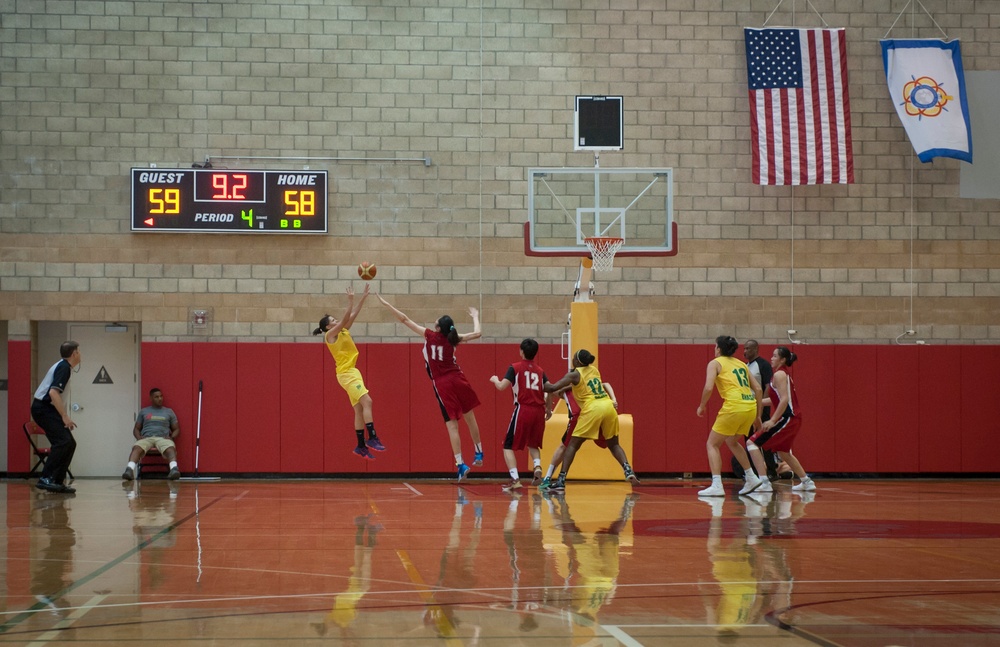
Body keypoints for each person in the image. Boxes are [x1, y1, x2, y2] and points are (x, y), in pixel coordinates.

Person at [377, 293, 484, 480]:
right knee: (470, 417)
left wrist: (386, 304)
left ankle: (460, 464)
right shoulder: (454, 338)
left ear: (437, 328)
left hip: (442, 383)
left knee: (452, 426)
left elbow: (405, 319)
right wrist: (475, 316)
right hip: (458, 378)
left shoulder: (429, 335)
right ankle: (479, 452)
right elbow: (477, 333)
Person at [541, 349, 638, 491]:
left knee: (572, 445)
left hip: (593, 408)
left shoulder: (574, 374)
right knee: (614, 444)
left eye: (574, 357)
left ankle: (561, 479)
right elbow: (589, 384)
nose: (572, 359)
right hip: (608, 406)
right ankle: (628, 469)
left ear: (577, 361)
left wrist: (536, 383)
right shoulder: (594, 370)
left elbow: (553, 387)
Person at [314, 284, 386, 460]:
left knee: (359, 410)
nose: (336, 320)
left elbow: (351, 316)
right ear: (326, 327)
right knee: (368, 401)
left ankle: (361, 446)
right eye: (332, 320)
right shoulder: (329, 335)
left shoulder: (343, 330)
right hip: (346, 374)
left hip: (352, 372)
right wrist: (350, 300)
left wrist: (362, 298)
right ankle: (373, 437)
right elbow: (346, 316)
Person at [696, 335, 764, 497]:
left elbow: (708, 387)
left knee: (712, 444)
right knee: (732, 441)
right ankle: (752, 477)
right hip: (750, 406)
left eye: (715, 346)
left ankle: (717, 484)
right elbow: (759, 389)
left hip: (734, 406)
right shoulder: (742, 364)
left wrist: (702, 405)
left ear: (719, 349)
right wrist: (758, 416)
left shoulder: (715, 363)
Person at [748, 346, 816, 492]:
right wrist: (755, 401)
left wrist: (772, 420)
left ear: (783, 359)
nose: (771, 358)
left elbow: (784, 400)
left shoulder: (779, 374)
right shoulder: (781, 374)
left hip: (788, 418)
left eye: (774, 356)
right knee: (783, 452)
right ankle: (807, 482)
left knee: (751, 443)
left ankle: (764, 483)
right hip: (793, 418)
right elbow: (776, 401)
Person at [490, 338, 551, 492]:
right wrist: (549, 410)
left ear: (521, 351)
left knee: (507, 446)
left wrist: (495, 380)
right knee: (533, 443)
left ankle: (515, 479)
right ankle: (537, 466)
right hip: (539, 411)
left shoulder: (515, 368)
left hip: (523, 409)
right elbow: (549, 391)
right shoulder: (541, 371)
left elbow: (502, 387)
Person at [31, 341, 81, 494]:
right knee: (63, 441)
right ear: (74, 354)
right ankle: (46, 478)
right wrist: (65, 416)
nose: (80, 354)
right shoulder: (64, 367)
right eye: (79, 351)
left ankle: (57, 481)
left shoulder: (63, 366)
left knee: (69, 443)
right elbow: (53, 393)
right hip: (43, 408)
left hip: (47, 409)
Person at [734, 339, 778, 489]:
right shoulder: (745, 366)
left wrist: (761, 408)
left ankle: (771, 472)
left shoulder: (763, 365)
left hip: (760, 409)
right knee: (749, 440)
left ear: (756, 349)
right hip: (748, 408)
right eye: (744, 349)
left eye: (748, 349)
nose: (745, 351)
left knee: (763, 441)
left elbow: (767, 387)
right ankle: (754, 474)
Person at [121, 387, 182, 480]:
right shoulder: (144, 411)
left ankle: (174, 469)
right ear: (151, 398)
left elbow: (176, 429)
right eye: (156, 397)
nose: (160, 399)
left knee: (170, 448)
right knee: (136, 448)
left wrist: (172, 437)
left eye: (161, 396)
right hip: (146, 438)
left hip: (162, 438)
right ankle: (129, 470)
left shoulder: (169, 412)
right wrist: (139, 438)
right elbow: (136, 429)